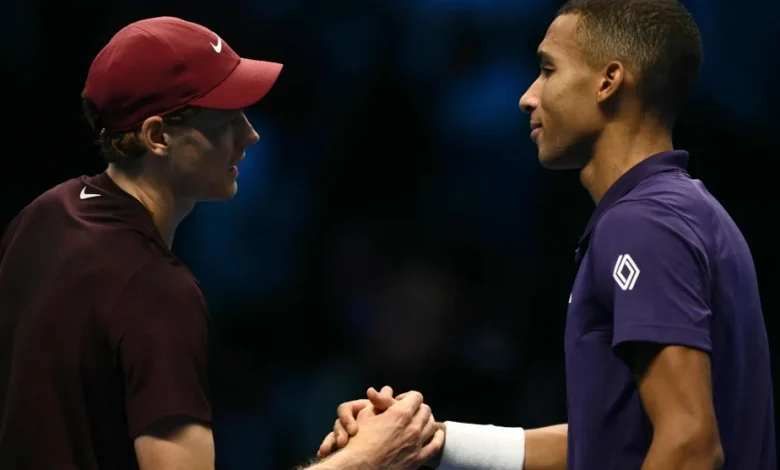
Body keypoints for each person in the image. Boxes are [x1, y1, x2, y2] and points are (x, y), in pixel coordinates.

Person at [317, 0, 776, 469]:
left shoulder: (642, 226)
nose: (528, 96)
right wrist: (429, 439)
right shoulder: (692, 213)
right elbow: (609, 444)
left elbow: (690, 445)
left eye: (547, 70)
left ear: (608, 81)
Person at [0, 16, 443, 470]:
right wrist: (367, 460)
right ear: (157, 137)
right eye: (227, 119)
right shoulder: (156, 291)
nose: (250, 135)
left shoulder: (43, 215)